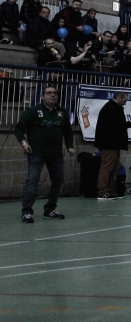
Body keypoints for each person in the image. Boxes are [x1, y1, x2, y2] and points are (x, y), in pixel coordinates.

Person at [14, 85, 74, 223]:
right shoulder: (33, 111)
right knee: (32, 181)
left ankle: (50, 209)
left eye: (55, 93)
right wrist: (24, 143)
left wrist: (70, 146)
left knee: (58, 181)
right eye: (49, 93)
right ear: (42, 96)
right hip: (36, 153)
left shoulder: (62, 112)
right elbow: (18, 129)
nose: (52, 95)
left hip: (55, 154)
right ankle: (26, 212)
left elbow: (68, 131)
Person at [94, 91, 131, 200]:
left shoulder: (114, 108)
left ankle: (111, 190)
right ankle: (102, 192)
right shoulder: (110, 109)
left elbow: (117, 125)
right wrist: (129, 124)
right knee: (107, 167)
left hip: (114, 143)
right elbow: (115, 126)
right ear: (119, 98)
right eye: (125, 101)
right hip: (109, 143)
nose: (125, 103)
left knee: (114, 167)